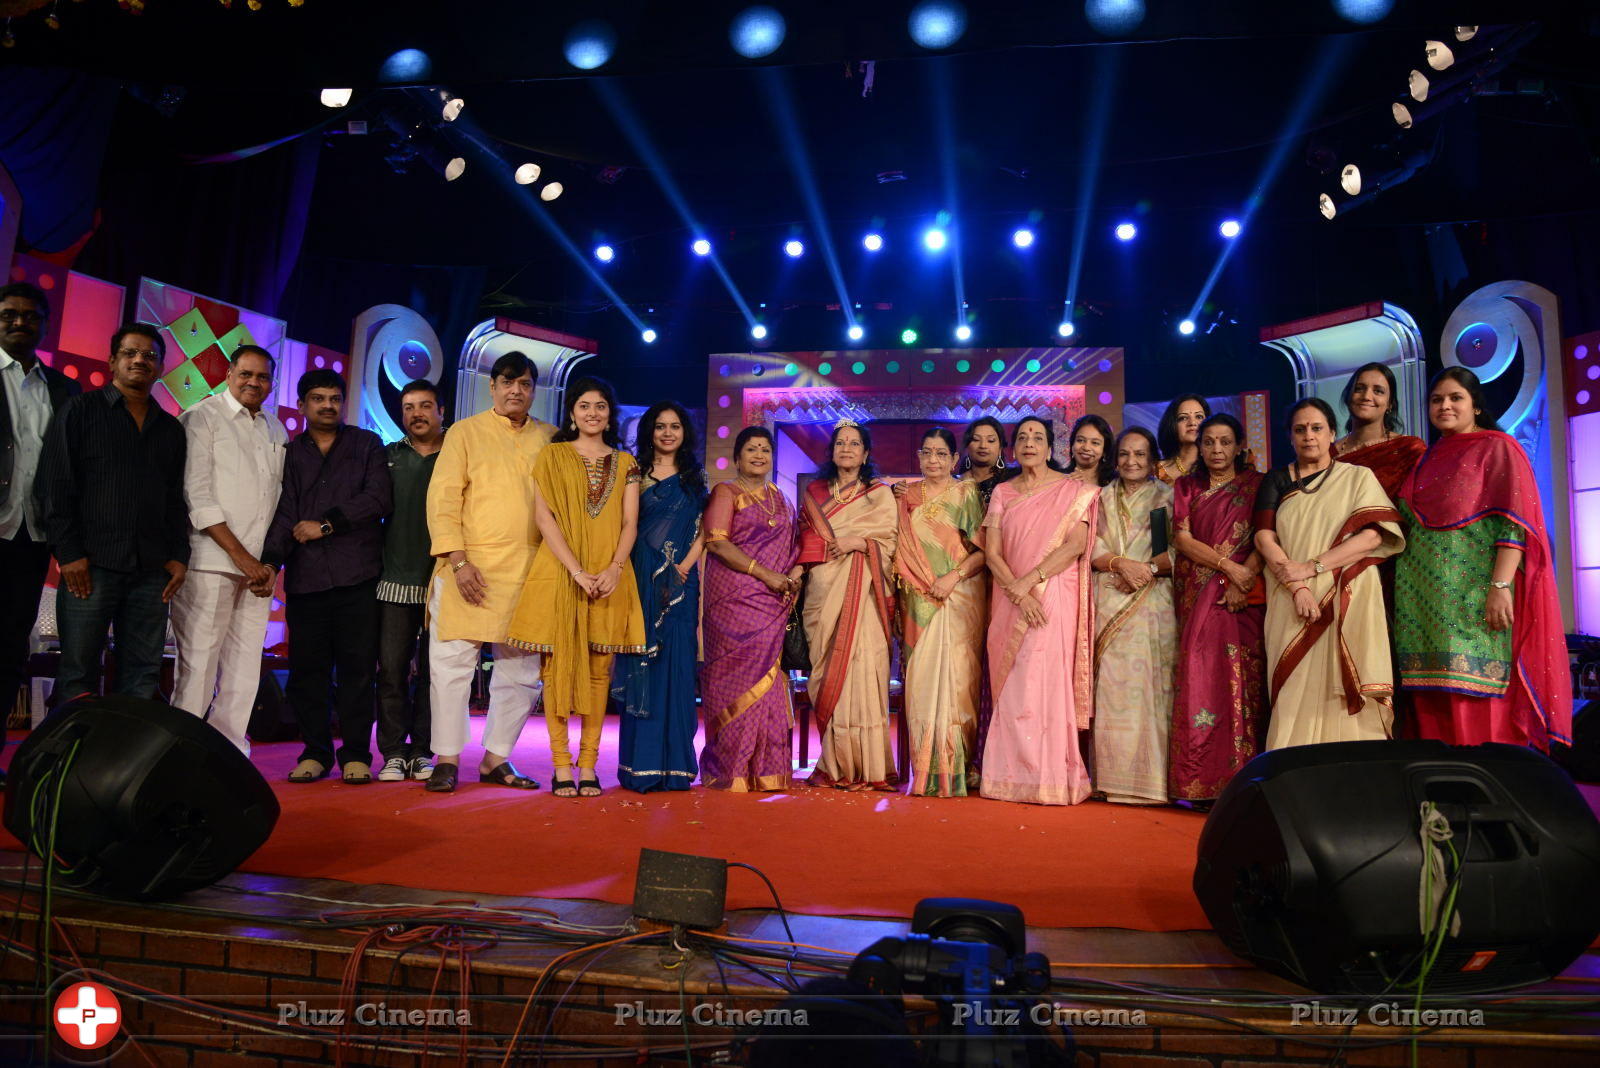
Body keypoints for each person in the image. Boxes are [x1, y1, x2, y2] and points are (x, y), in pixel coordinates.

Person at [1395, 367, 1572, 751]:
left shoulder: (1498, 448)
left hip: (1473, 602)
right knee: (1431, 714)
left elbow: (1514, 524)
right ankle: (1438, 808)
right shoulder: (1426, 458)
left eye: (1455, 397)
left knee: (1479, 704)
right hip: (1420, 610)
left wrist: (1500, 586)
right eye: (1437, 399)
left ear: (1475, 405)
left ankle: (1490, 804)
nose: (1445, 405)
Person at [35, 323, 187, 705]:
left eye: (150, 355)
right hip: (91, 566)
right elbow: (54, 486)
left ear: (160, 366)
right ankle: (75, 762)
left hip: (152, 571)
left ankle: (123, 764)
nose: (140, 360)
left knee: (142, 674)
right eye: (130, 353)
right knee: (78, 672)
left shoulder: (170, 428)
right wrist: (68, 554)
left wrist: (179, 556)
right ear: (113, 361)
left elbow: (175, 498)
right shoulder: (80, 411)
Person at [508, 376, 645, 798]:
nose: (592, 413)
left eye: (600, 406)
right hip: (562, 574)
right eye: (584, 405)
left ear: (609, 414)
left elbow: (629, 523)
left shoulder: (626, 463)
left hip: (609, 576)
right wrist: (576, 571)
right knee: (555, 671)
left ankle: (588, 764)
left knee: (600, 671)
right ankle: (561, 766)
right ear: (572, 412)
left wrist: (615, 568)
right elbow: (544, 518)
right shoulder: (552, 456)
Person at [423, 351, 554, 794]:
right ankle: (446, 759)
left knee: (521, 669)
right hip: (468, 568)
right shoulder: (463, 433)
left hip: (529, 571)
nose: (516, 390)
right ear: (493, 387)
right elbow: (442, 500)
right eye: (507, 382)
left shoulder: (551, 439)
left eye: (525, 383)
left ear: (533, 390)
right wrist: (457, 560)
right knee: (452, 666)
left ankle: (496, 758)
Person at [263, 370, 391, 784]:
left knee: (357, 671)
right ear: (301, 405)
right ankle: (315, 752)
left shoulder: (366, 444)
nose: (327, 405)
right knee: (307, 673)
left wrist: (327, 524)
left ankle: (355, 754)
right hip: (307, 580)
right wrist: (270, 563)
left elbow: (377, 498)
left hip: (358, 577)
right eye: (317, 399)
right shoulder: (291, 453)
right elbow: (285, 513)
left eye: (334, 398)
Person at [1254, 398, 1405, 748]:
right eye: (1300, 429)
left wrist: (1313, 567)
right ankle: (1291, 778)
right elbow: (1264, 537)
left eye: (1317, 428)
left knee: (1343, 683)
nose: (1309, 436)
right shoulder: (1277, 480)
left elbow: (1372, 536)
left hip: (1346, 592)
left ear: (1333, 434)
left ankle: (1351, 779)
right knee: (1292, 691)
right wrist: (1298, 586)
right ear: (1290, 437)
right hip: (1289, 596)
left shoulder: (1357, 478)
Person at [169, 345, 285, 755]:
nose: (254, 383)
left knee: (244, 668)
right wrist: (242, 558)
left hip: (259, 571)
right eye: (246, 374)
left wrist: (267, 564)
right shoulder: (201, 418)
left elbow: (278, 502)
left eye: (263, 377)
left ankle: (228, 754)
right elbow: (196, 496)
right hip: (210, 563)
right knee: (199, 665)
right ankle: (178, 754)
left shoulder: (275, 428)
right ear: (228, 374)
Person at [979, 416, 1098, 806]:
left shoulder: (1072, 491)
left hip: (1051, 596)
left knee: (1044, 680)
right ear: (1013, 448)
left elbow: (1075, 545)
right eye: (1023, 437)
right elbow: (992, 553)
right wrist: (1018, 592)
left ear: (1051, 448)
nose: (1030, 443)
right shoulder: (1002, 492)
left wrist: (1030, 583)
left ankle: (1050, 778)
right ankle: (1009, 777)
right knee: (1015, 682)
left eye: (1038, 437)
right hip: (1011, 598)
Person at [1167, 413, 1266, 804]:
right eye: (1209, 442)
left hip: (1246, 596)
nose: (1217, 450)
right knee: (1200, 677)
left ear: (1240, 445)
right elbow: (1182, 538)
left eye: (1225, 442)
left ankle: (1245, 781)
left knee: (1245, 681)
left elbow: (1267, 533)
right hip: (1199, 593)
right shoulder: (1187, 486)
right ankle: (1199, 782)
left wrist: (1247, 577)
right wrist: (1229, 569)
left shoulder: (1256, 485)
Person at [0, 281, 80, 755]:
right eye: (9, 313)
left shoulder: (64, 389)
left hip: (31, 538)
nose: (18, 322)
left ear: (45, 325)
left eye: (30, 315)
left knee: (10, 649)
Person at [700, 426, 802, 791]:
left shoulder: (781, 498)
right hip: (733, 601)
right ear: (738, 456)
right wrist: (766, 575)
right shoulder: (726, 492)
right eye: (751, 449)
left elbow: (795, 545)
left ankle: (766, 770)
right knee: (735, 681)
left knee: (771, 682)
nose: (759, 455)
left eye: (765, 450)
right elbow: (717, 544)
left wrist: (793, 574)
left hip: (772, 602)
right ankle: (731, 770)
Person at [799, 419, 899, 790]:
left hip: (864, 597)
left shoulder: (880, 494)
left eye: (854, 444)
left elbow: (891, 544)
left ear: (865, 453)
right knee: (827, 672)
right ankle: (834, 761)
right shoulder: (814, 493)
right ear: (832, 451)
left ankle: (869, 765)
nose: (846, 448)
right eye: (840, 443)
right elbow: (803, 542)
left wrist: (860, 542)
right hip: (823, 592)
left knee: (863, 669)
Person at [615, 400, 706, 792]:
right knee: (645, 669)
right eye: (660, 426)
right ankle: (642, 766)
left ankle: (676, 768)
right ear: (649, 431)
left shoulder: (693, 477)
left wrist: (683, 567)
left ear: (685, 433)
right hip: (640, 580)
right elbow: (628, 526)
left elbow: (705, 530)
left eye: (675, 426)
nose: (667, 433)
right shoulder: (634, 473)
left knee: (679, 668)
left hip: (682, 583)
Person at [895, 427, 987, 797]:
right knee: (920, 685)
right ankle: (925, 770)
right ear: (918, 457)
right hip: (917, 603)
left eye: (941, 454)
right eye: (927, 453)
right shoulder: (905, 496)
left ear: (953, 459)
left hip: (958, 599)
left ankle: (957, 770)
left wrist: (952, 577)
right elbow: (896, 550)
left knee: (959, 685)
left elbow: (983, 552)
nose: (933, 460)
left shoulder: (966, 494)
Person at [1088, 427, 1175, 804]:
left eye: (1140, 454)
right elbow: (1090, 548)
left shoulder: (1166, 497)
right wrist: (1122, 566)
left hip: (1154, 601)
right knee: (1110, 689)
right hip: (1108, 596)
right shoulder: (1100, 498)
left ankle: (1152, 782)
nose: (1131, 462)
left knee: (1153, 686)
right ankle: (1110, 779)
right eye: (1124, 454)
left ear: (1153, 458)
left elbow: (1177, 549)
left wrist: (1146, 572)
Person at [375, 379, 445, 782]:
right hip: (395, 581)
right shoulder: (386, 457)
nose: (416, 414)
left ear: (441, 412)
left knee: (436, 674)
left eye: (425, 406)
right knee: (392, 671)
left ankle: (423, 752)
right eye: (408, 407)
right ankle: (392, 753)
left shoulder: (458, 456)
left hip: (444, 582)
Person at [1330, 362, 1426, 499]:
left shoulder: (1409, 449)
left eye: (1378, 391)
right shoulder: (1328, 454)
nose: (1366, 396)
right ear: (1348, 396)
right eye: (1359, 389)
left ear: (1390, 404)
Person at [958, 416, 1014, 509]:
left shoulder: (1012, 480)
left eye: (990, 440)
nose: (983, 445)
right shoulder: (955, 483)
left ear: (1000, 448)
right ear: (967, 446)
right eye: (976, 439)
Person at [1156, 394, 1210, 484]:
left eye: (1199, 417)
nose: (1192, 423)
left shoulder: (1217, 469)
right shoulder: (1155, 471)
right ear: (1172, 425)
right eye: (1183, 418)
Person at [1066, 414, 1116, 487]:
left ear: (1104, 451)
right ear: (1072, 445)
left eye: (1095, 443)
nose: (1086, 448)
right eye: (1080, 440)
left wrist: (1088, 486)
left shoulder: (1115, 483)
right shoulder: (1060, 478)